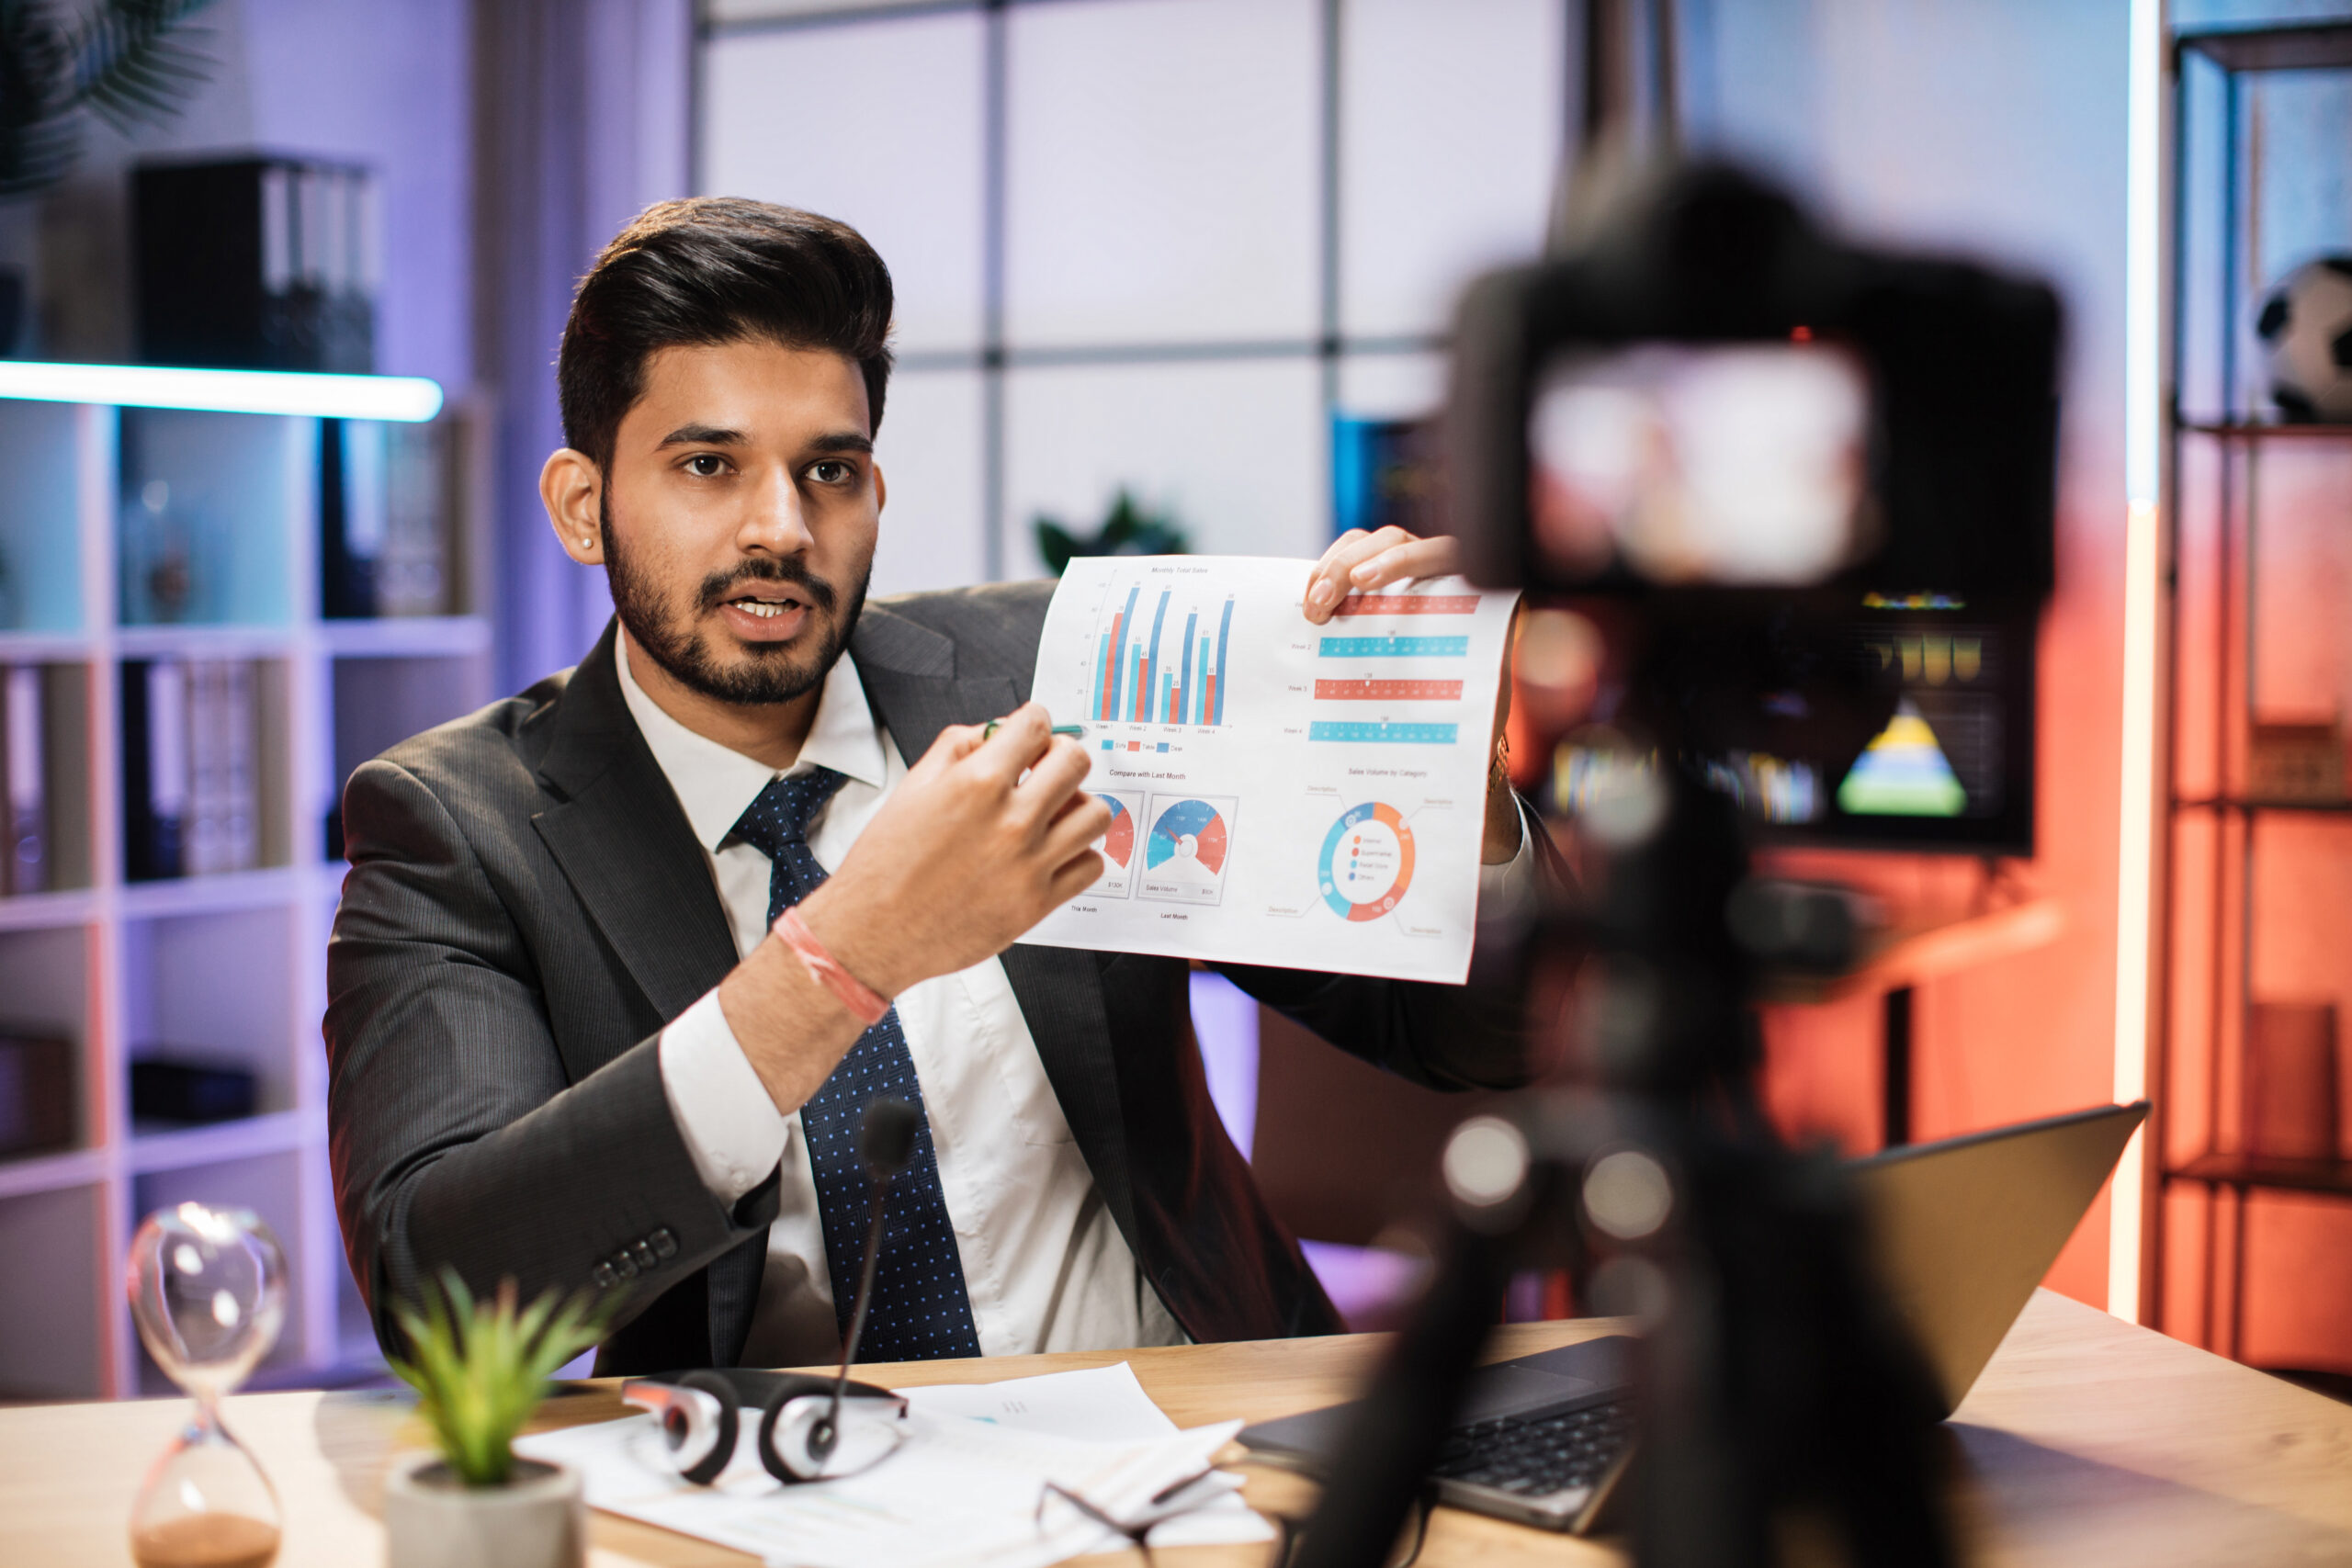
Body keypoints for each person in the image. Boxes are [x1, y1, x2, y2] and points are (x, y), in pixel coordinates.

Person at [325, 197, 1546, 1376]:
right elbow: (440, 1295)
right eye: (707, 466)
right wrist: (845, 956)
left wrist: (1451, 769)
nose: (781, 529)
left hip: (1194, 1431)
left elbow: (1470, 1035)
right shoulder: (459, 824)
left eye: (830, 472)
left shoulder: (1062, 675)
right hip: (795, 1493)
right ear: (584, 507)